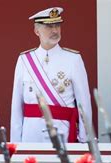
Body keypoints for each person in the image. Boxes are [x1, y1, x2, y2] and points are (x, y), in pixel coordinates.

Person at [10, 7, 92, 143]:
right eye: (49, 26)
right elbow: (16, 105)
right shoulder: (24, 59)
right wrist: (15, 143)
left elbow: (84, 102)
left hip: (62, 133)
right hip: (31, 135)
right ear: (37, 31)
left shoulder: (73, 59)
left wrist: (84, 139)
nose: (55, 30)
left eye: (57, 25)